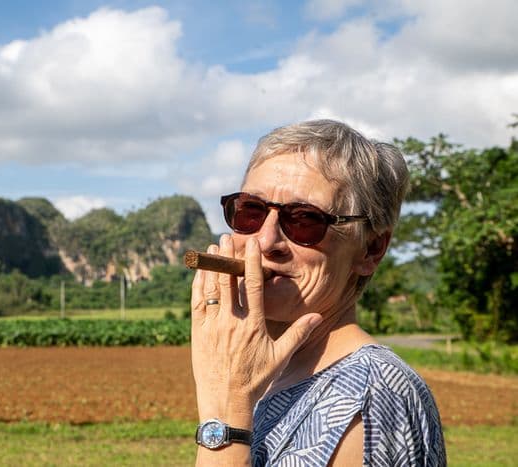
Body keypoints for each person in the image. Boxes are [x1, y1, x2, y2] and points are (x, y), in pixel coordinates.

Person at [191, 120, 446, 466]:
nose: (266, 242)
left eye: (304, 220)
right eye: (251, 212)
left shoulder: (369, 394)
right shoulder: (271, 376)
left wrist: (227, 411)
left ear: (370, 249)